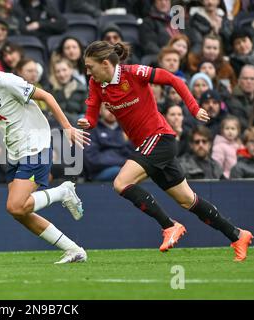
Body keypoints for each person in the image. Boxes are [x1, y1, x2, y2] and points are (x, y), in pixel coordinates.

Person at [77, 40, 252, 261]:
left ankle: (169, 226)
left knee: (121, 183)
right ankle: (237, 235)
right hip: (148, 146)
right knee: (188, 200)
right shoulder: (96, 83)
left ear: (105, 64)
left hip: (159, 138)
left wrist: (194, 108)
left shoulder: (133, 73)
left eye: (90, 66)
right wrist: (86, 122)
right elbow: (92, 116)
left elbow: (172, 79)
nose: (87, 71)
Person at [0, 36, 91, 264]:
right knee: (19, 212)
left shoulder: (7, 81)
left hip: (35, 144)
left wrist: (67, 128)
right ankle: (73, 249)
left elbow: (46, 96)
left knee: (15, 206)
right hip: (14, 151)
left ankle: (63, 192)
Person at [84, 103, 133, 181]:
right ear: (100, 111)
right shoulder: (92, 130)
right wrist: (122, 161)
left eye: (115, 108)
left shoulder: (127, 128)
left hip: (125, 169)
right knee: (122, 172)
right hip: (100, 172)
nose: (111, 111)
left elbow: (134, 154)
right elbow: (92, 160)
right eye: (107, 108)